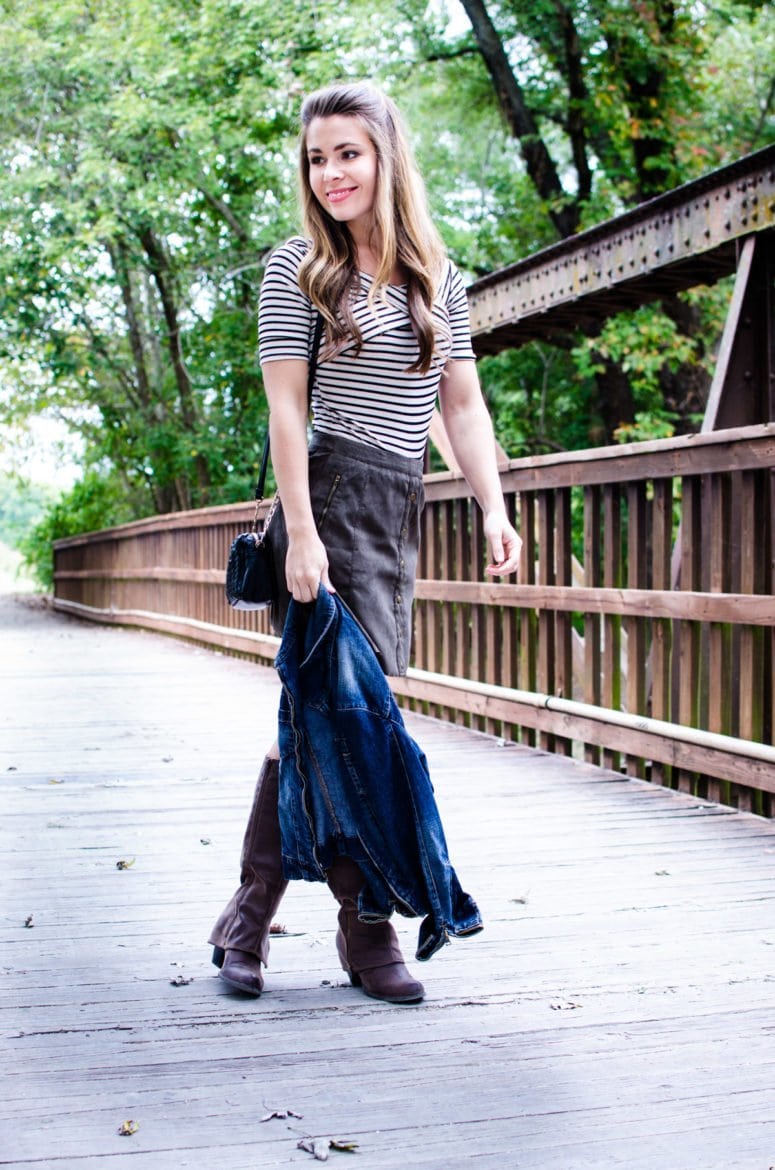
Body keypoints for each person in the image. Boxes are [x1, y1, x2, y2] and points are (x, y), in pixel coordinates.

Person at [209, 80, 522, 1004]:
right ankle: (357, 926)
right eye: (317, 158)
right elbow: (284, 410)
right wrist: (299, 535)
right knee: (336, 713)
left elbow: (460, 405)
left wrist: (492, 507)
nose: (331, 172)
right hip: (329, 495)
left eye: (347, 152)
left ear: (384, 156)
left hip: (396, 511)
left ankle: (252, 917)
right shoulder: (295, 269)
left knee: (327, 716)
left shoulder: (437, 277)